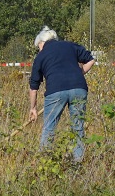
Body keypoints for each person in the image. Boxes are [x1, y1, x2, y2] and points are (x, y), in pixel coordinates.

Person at [28, 26, 95, 160]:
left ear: (42, 42)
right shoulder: (70, 46)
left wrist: (33, 108)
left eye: (38, 46)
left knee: (49, 128)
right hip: (79, 89)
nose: (39, 49)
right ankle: (77, 163)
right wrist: (79, 74)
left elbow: (34, 86)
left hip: (55, 91)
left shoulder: (41, 55)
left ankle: (45, 162)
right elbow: (91, 59)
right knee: (78, 127)